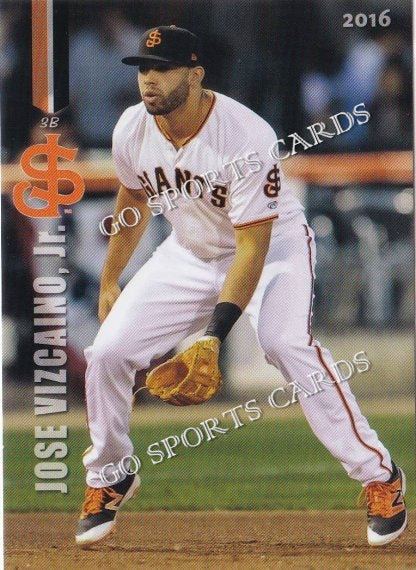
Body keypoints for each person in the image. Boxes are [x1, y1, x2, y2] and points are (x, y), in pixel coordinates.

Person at [75, 26, 407, 547]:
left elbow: (250, 248)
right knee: (109, 353)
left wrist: (212, 336)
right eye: (142, 68)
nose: (149, 80)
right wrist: (111, 278)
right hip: (188, 251)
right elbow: (133, 199)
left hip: (273, 249)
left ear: (195, 73)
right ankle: (110, 473)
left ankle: (378, 475)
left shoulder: (245, 135)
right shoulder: (133, 127)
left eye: (161, 68)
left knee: (286, 344)